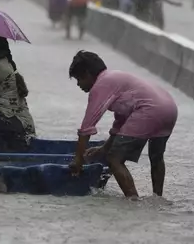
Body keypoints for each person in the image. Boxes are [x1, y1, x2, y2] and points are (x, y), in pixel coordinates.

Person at [67, 51, 178, 198]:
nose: (78, 84)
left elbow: (86, 128)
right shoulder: (115, 78)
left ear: (87, 73)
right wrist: (103, 148)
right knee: (156, 157)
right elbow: (121, 123)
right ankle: (158, 199)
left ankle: (133, 202)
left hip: (149, 110)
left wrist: (78, 160)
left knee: (114, 159)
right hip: (169, 108)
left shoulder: (101, 85)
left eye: (79, 79)